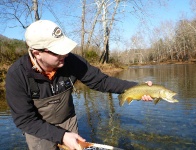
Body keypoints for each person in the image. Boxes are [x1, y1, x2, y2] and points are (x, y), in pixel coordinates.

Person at [6, 20, 153, 150]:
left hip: (68, 122)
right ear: (37, 53)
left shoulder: (71, 62)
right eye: (58, 51)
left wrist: (137, 88)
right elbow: (25, 120)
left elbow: (102, 81)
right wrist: (61, 136)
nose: (65, 54)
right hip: (37, 129)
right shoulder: (17, 76)